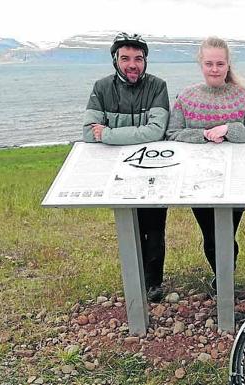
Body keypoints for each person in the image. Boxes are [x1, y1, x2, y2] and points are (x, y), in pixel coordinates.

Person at [166, 36, 245, 291]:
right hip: (197, 180)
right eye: (209, 63)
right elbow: (172, 133)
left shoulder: (243, 97)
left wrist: (229, 129)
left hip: (236, 179)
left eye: (219, 64)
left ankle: (226, 278)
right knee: (210, 236)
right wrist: (203, 135)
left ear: (228, 64)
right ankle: (221, 278)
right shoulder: (186, 97)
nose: (214, 69)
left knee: (227, 233)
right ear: (201, 63)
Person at [83, 32, 170, 302]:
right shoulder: (101, 87)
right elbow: (88, 132)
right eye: (125, 58)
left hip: (154, 170)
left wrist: (107, 133)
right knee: (129, 226)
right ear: (115, 60)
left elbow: (156, 131)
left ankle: (153, 283)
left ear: (145, 61)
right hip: (118, 173)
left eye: (138, 59)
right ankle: (135, 280)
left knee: (154, 228)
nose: (132, 64)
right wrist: (136, 132)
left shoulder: (158, 86)